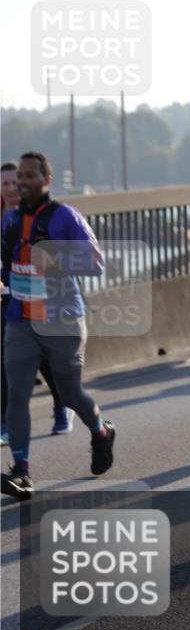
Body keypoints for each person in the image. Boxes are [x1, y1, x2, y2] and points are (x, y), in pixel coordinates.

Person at [1, 152, 117, 500]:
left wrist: (56, 257)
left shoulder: (66, 217)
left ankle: (100, 432)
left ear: (46, 180)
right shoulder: (8, 220)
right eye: (20, 175)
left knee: (69, 395)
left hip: (63, 320)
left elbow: (96, 264)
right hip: (21, 321)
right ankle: (22, 472)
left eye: (30, 176)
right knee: (17, 395)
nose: (22, 181)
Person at [1, 163, 71, 446]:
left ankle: (61, 404)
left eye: (14, 183)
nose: (10, 189)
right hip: (6, 297)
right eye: (4, 183)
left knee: (44, 358)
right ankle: (5, 420)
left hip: (37, 296)